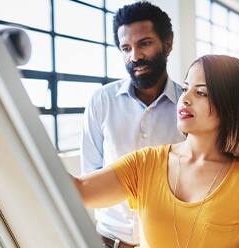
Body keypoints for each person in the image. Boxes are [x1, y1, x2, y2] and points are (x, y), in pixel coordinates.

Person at [74, 55, 239, 248]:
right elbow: (80, 189)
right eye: (185, 88)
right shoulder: (146, 163)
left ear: (229, 106)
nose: (185, 99)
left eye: (201, 92)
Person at [80, 2, 185, 247]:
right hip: (108, 241)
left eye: (144, 43)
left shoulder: (189, 106)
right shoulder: (101, 101)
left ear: (167, 43)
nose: (134, 56)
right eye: (126, 48)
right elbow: (90, 177)